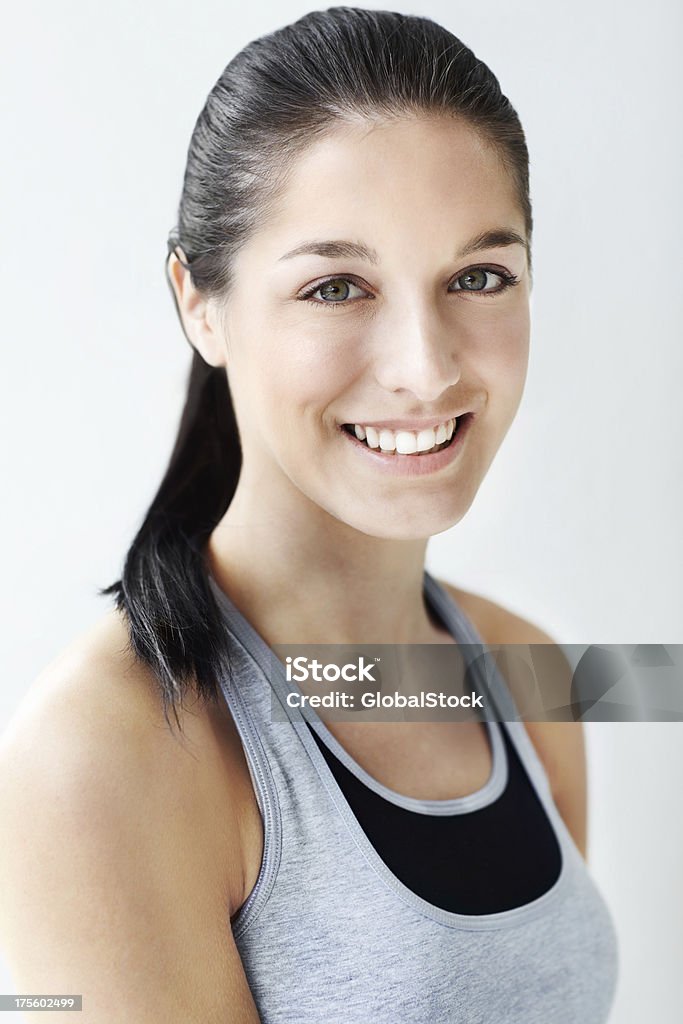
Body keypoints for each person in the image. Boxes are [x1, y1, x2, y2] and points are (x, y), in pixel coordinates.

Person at [0, 7, 618, 1022]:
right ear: (200, 303)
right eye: (336, 286)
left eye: (477, 276)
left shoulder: (525, 667)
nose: (425, 369)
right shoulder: (101, 757)